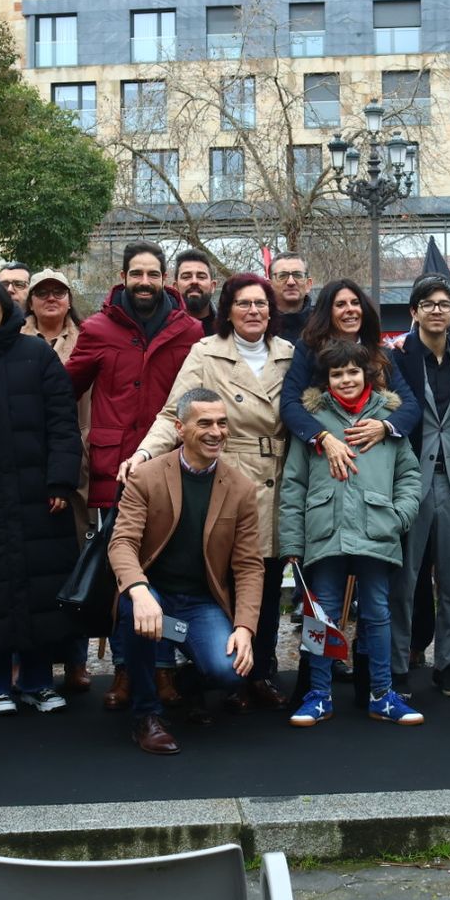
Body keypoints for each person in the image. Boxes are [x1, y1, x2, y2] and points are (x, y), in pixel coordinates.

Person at [126, 273, 296, 713]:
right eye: (243, 303)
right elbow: (172, 415)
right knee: (226, 577)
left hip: (278, 476)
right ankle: (210, 670)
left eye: (261, 303)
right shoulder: (206, 352)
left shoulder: (289, 355)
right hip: (228, 474)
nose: (254, 311)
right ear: (228, 310)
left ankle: (260, 671)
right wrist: (144, 454)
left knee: (267, 576)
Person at [66, 241, 203, 710]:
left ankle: (163, 670)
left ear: (164, 278)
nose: (144, 282)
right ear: (123, 276)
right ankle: (124, 670)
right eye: (136, 274)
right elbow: (67, 389)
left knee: (165, 571)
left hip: (172, 468)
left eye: (152, 274)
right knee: (121, 578)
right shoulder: (98, 328)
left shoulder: (191, 330)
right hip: (115, 468)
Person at [107, 387, 265, 755]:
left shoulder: (240, 488)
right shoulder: (146, 477)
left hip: (199, 602)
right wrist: (139, 589)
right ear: (180, 428)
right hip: (153, 595)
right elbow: (122, 543)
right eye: (204, 423)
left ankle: (188, 682)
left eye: (222, 423)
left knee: (229, 670)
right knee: (134, 609)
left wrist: (244, 627)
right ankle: (147, 715)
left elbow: (248, 566)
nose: (216, 432)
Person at [0, 272, 82, 715]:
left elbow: (63, 423)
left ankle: (39, 681)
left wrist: (61, 479)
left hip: (40, 494)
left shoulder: (37, 356)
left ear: (6, 305)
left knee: (43, 586)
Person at [280, 340, 423, 727]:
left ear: (368, 375)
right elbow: (292, 484)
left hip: (377, 528)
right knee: (318, 615)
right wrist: (292, 542)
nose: (345, 379)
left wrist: (398, 517)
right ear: (326, 379)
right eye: (337, 373)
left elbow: (410, 476)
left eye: (352, 372)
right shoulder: (314, 422)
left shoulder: (386, 419)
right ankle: (318, 694)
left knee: (377, 613)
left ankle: (382, 693)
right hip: (324, 532)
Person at [391, 275, 450, 697]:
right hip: (410, 483)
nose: (438, 310)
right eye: (429, 303)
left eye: (445, 303)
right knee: (405, 580)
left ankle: (447, 664)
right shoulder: (398, 357)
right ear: (415, 312)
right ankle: (399, 665)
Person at [21, 268, 93, 693]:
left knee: (77, 561)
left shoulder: (89, 337)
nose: (50, 298)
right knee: (32, 564)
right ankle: (27, 663)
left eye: (58, 292)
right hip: (28, 463)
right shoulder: (15, 340)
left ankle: (76, 660)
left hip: (80, 463)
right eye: (42, 292)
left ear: (69, 299)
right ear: (30, 301)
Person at [279, 279, 421, 483]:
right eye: (340, 305)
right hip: (322, 467)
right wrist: (323, 437)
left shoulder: (381, 354)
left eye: (355, 303)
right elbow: (289, 404)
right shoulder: (308, 350)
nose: (350, 310)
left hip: (374, 468)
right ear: (326, 312)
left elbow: (410, 405)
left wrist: (384, 427)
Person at [270, 253, 314, 343]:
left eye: (298, 275)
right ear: (269, 285)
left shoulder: (325, 323)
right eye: (282, 276)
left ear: (308, 284)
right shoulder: (259, 325)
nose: (291, 282)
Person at [174, 249, 217, 334]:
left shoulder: (230, 328)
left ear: (213, 286)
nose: (194, 281)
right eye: (186, 277)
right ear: (175, 287)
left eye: (201, 277)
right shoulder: (161, 328)